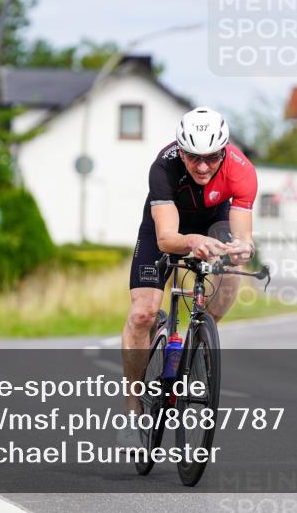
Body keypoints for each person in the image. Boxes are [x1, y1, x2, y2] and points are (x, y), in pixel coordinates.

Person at [118, 107, 257, 447]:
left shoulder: (242, 172)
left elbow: (242, 237)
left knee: (229, 280)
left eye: (211, 157)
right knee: (142, 314)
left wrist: (242, 249)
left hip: (215, 220)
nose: (203, 166)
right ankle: (133, 407)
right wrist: (193, 241)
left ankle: (199, 342)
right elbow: (167, 239)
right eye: (194, 157)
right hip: (167, 227)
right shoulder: (163, 167)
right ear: (181, 151)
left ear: (223, 151)